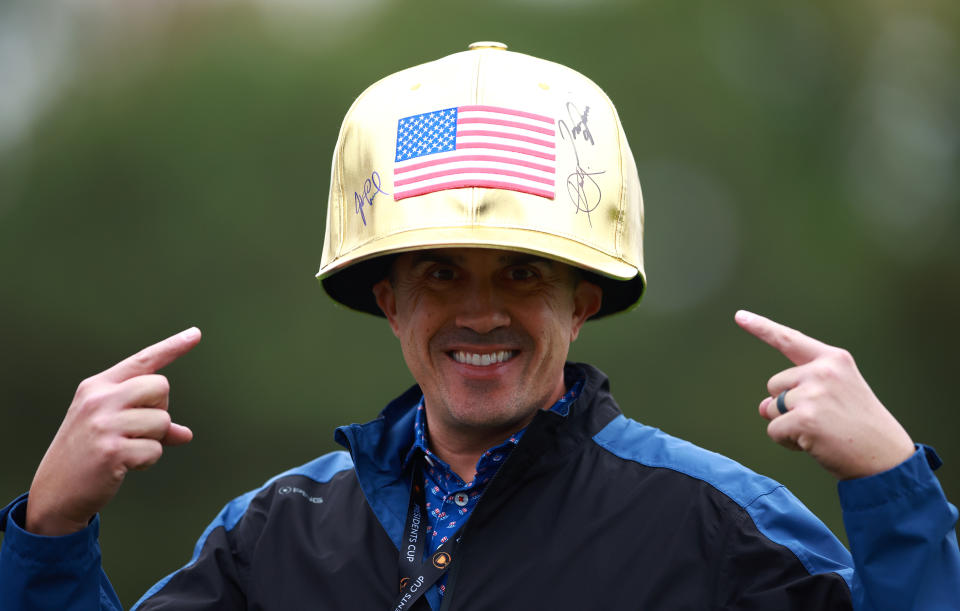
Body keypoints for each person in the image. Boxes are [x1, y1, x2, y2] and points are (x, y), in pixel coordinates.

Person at [1, 42, 958, 610]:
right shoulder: (273, 535)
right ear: (389, 298)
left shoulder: (716, 522)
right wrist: (53, 526)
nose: (480, 310)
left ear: (582, 300)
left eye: (523, 271)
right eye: (440, 271)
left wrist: (889, 486)